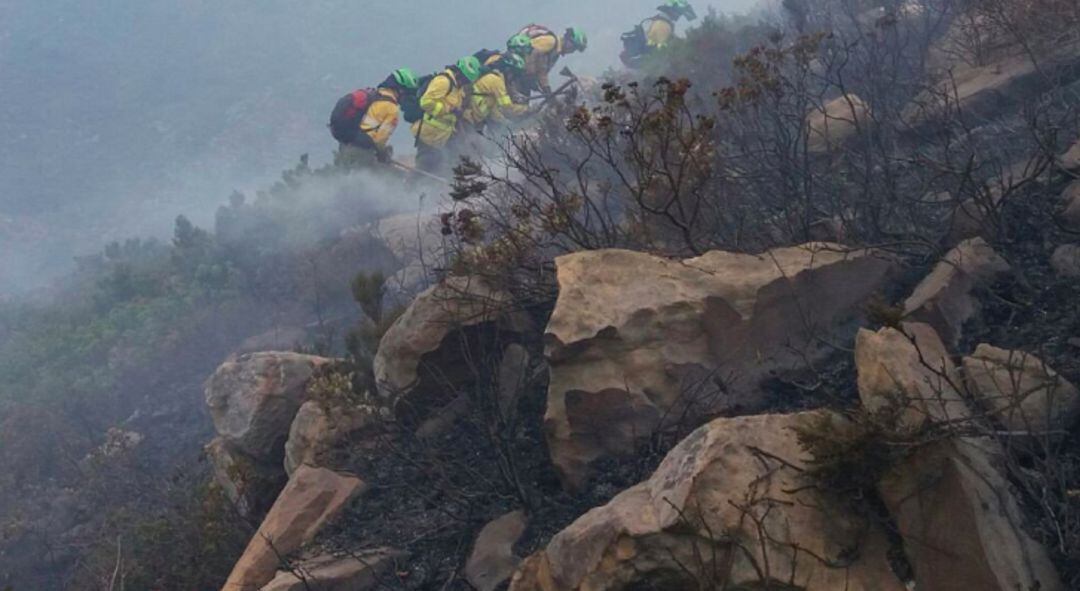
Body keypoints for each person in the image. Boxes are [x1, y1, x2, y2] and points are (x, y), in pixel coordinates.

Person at [330, 68, 420, 168]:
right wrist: (383, 154)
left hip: (346, 145)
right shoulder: (392, 109)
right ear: (401, 90)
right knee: (363, 181)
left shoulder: (373, 95)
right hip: (363, 152)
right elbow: (380, 139)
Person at [411, 56, 483, 175]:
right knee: (424, 167)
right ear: (459, 73)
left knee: (444, 164)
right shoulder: (443, 82)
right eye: (464, 80)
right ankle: (408, 188)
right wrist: (450, 109)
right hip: (429, 135)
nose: (464, 83)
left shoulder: (457, 87)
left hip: (443, 135)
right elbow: (426, 102)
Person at [620, 0, 698, 69]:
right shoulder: (663, 25)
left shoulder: (659, 21)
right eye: (680, 13)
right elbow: (661, 51)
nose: (679, 16)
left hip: (644, 59)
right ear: (674, 11)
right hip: (646, 63)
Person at [463, 52, 530, 131]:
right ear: (507, 70)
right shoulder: (497, 82)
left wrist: (506, 124)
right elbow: (507, 108)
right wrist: (527, 109)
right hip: (468, 121)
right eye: (514, 74)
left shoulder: (494, 79)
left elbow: (494, 110)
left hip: (472, 121)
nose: (513, 79)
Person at [516, 25, 587, 97]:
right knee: (515, 106)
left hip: (522, 79)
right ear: (568, 39)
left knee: (523, 106)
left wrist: (547, 89)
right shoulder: (551, 41)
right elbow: (529, 51)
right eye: (573, 47)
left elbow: (542, 72)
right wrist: (530, 74)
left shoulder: (555, 53)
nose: (572, 51)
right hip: (514, 73)